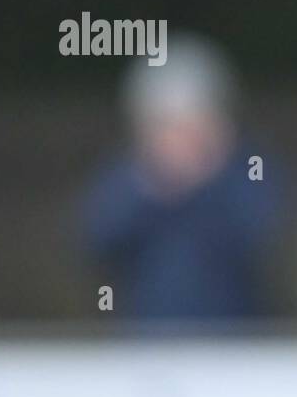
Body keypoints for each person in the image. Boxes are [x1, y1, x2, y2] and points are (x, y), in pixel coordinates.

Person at [81, 31, 284, 322]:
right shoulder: (127, 178)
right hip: (147, 344)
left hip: (236, 346)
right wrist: (153, 181)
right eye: (167, 123)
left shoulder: (247, 170)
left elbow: (262, 232)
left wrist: (211, 172)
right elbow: (96, 238)